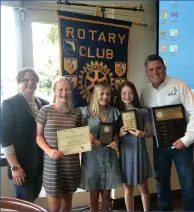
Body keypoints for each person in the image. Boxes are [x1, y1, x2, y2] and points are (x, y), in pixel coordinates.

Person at [140, 54, 194, 211]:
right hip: (160, 146)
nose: (155, 72)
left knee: (188, 183)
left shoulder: (179, 86)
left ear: (164, 68)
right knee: (161, 181)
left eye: (158, 68)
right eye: (151, 69)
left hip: (181, 145)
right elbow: (144, 119)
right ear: (147, 72)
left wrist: (187, 139)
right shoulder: (145, 93)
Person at [1, 67, 49, 202]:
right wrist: (15, 166)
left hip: (41, 164)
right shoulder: (9, 104)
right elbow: (5, 138)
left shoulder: (45, 104)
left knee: (33, 200)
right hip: (21, 166)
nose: (30, 83)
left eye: (33, 79)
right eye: (25, 80)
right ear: (18, 82)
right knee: (25, 204)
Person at [36, 77, 81, 211]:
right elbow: (38, 136)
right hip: (52, 166)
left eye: (67, 89)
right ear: (54, 91)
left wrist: (86, 138)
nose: (63, 92)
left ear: (71, 91)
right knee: (54, 208)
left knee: (67, 206)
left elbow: (80, 136)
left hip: (71, 165)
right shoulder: (45, 111)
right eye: (60, 89)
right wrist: (49, 151)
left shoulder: (76, 113)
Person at [79, 82, 122, 211]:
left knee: (107, 193)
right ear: (95, 95)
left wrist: (116, 141)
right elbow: (77, 134)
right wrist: (86, 136)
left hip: (109, 155)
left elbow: (116, 133)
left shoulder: (115, 112)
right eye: (101, 93)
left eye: (108, 94)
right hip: (92, 157)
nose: (105, 97)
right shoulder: (86, 112)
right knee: (93, 193)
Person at [115, 81, 153, 211]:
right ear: (120, 95)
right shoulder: (116, 113)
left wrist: (141, 133)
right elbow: (112, 136)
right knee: (128, 189)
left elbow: (150, 133)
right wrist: (119, 134)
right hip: (125, 153)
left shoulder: (142, 111)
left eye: (130, 93)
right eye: (124, 93)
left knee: (144, 188)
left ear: (135, 94)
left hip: (139, 151)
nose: (127, 96)